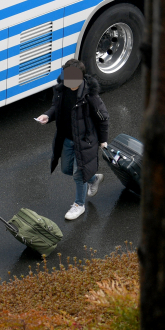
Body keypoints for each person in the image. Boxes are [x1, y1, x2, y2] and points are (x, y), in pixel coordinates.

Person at [35, 59, 109, 220]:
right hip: (67, 139)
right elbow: (56, 107)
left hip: (85, 141)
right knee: (67, 169)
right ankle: (94, 178)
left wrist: (103, 140)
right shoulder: (61, 90)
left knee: (78, 173)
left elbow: (103, 117)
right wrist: (48, 115)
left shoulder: (90, 95)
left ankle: (79, 205)